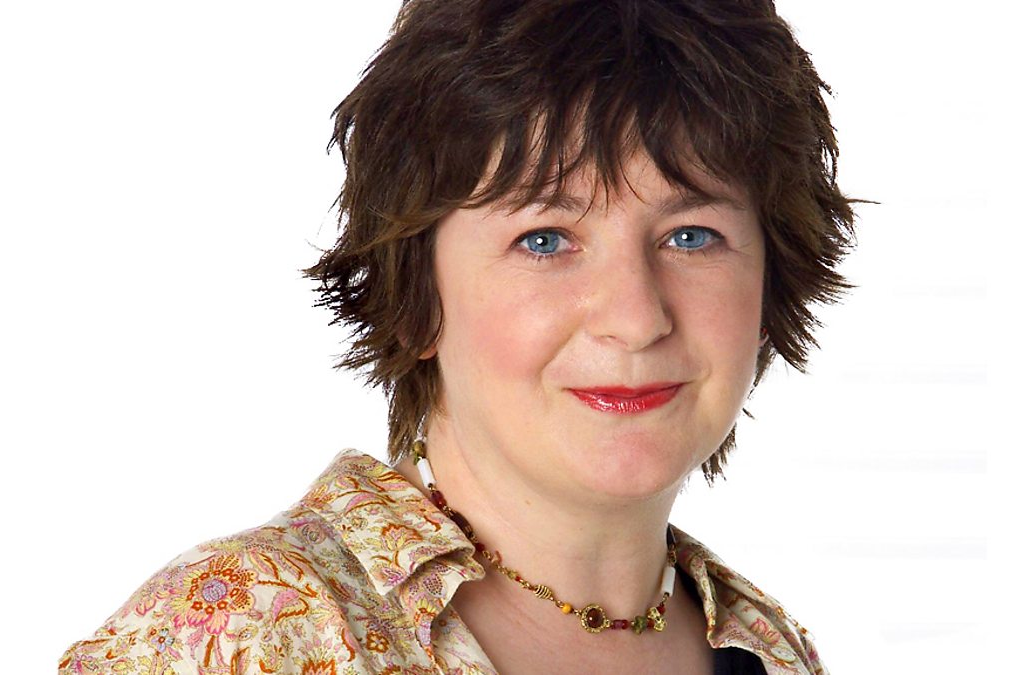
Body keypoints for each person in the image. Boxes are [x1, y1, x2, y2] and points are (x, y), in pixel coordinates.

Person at [60, 0, 858, 672]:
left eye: (691, 236)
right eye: (545, 239)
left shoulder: (772, 652)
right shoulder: (236, 631)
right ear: (417, 294)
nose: (636, 316)